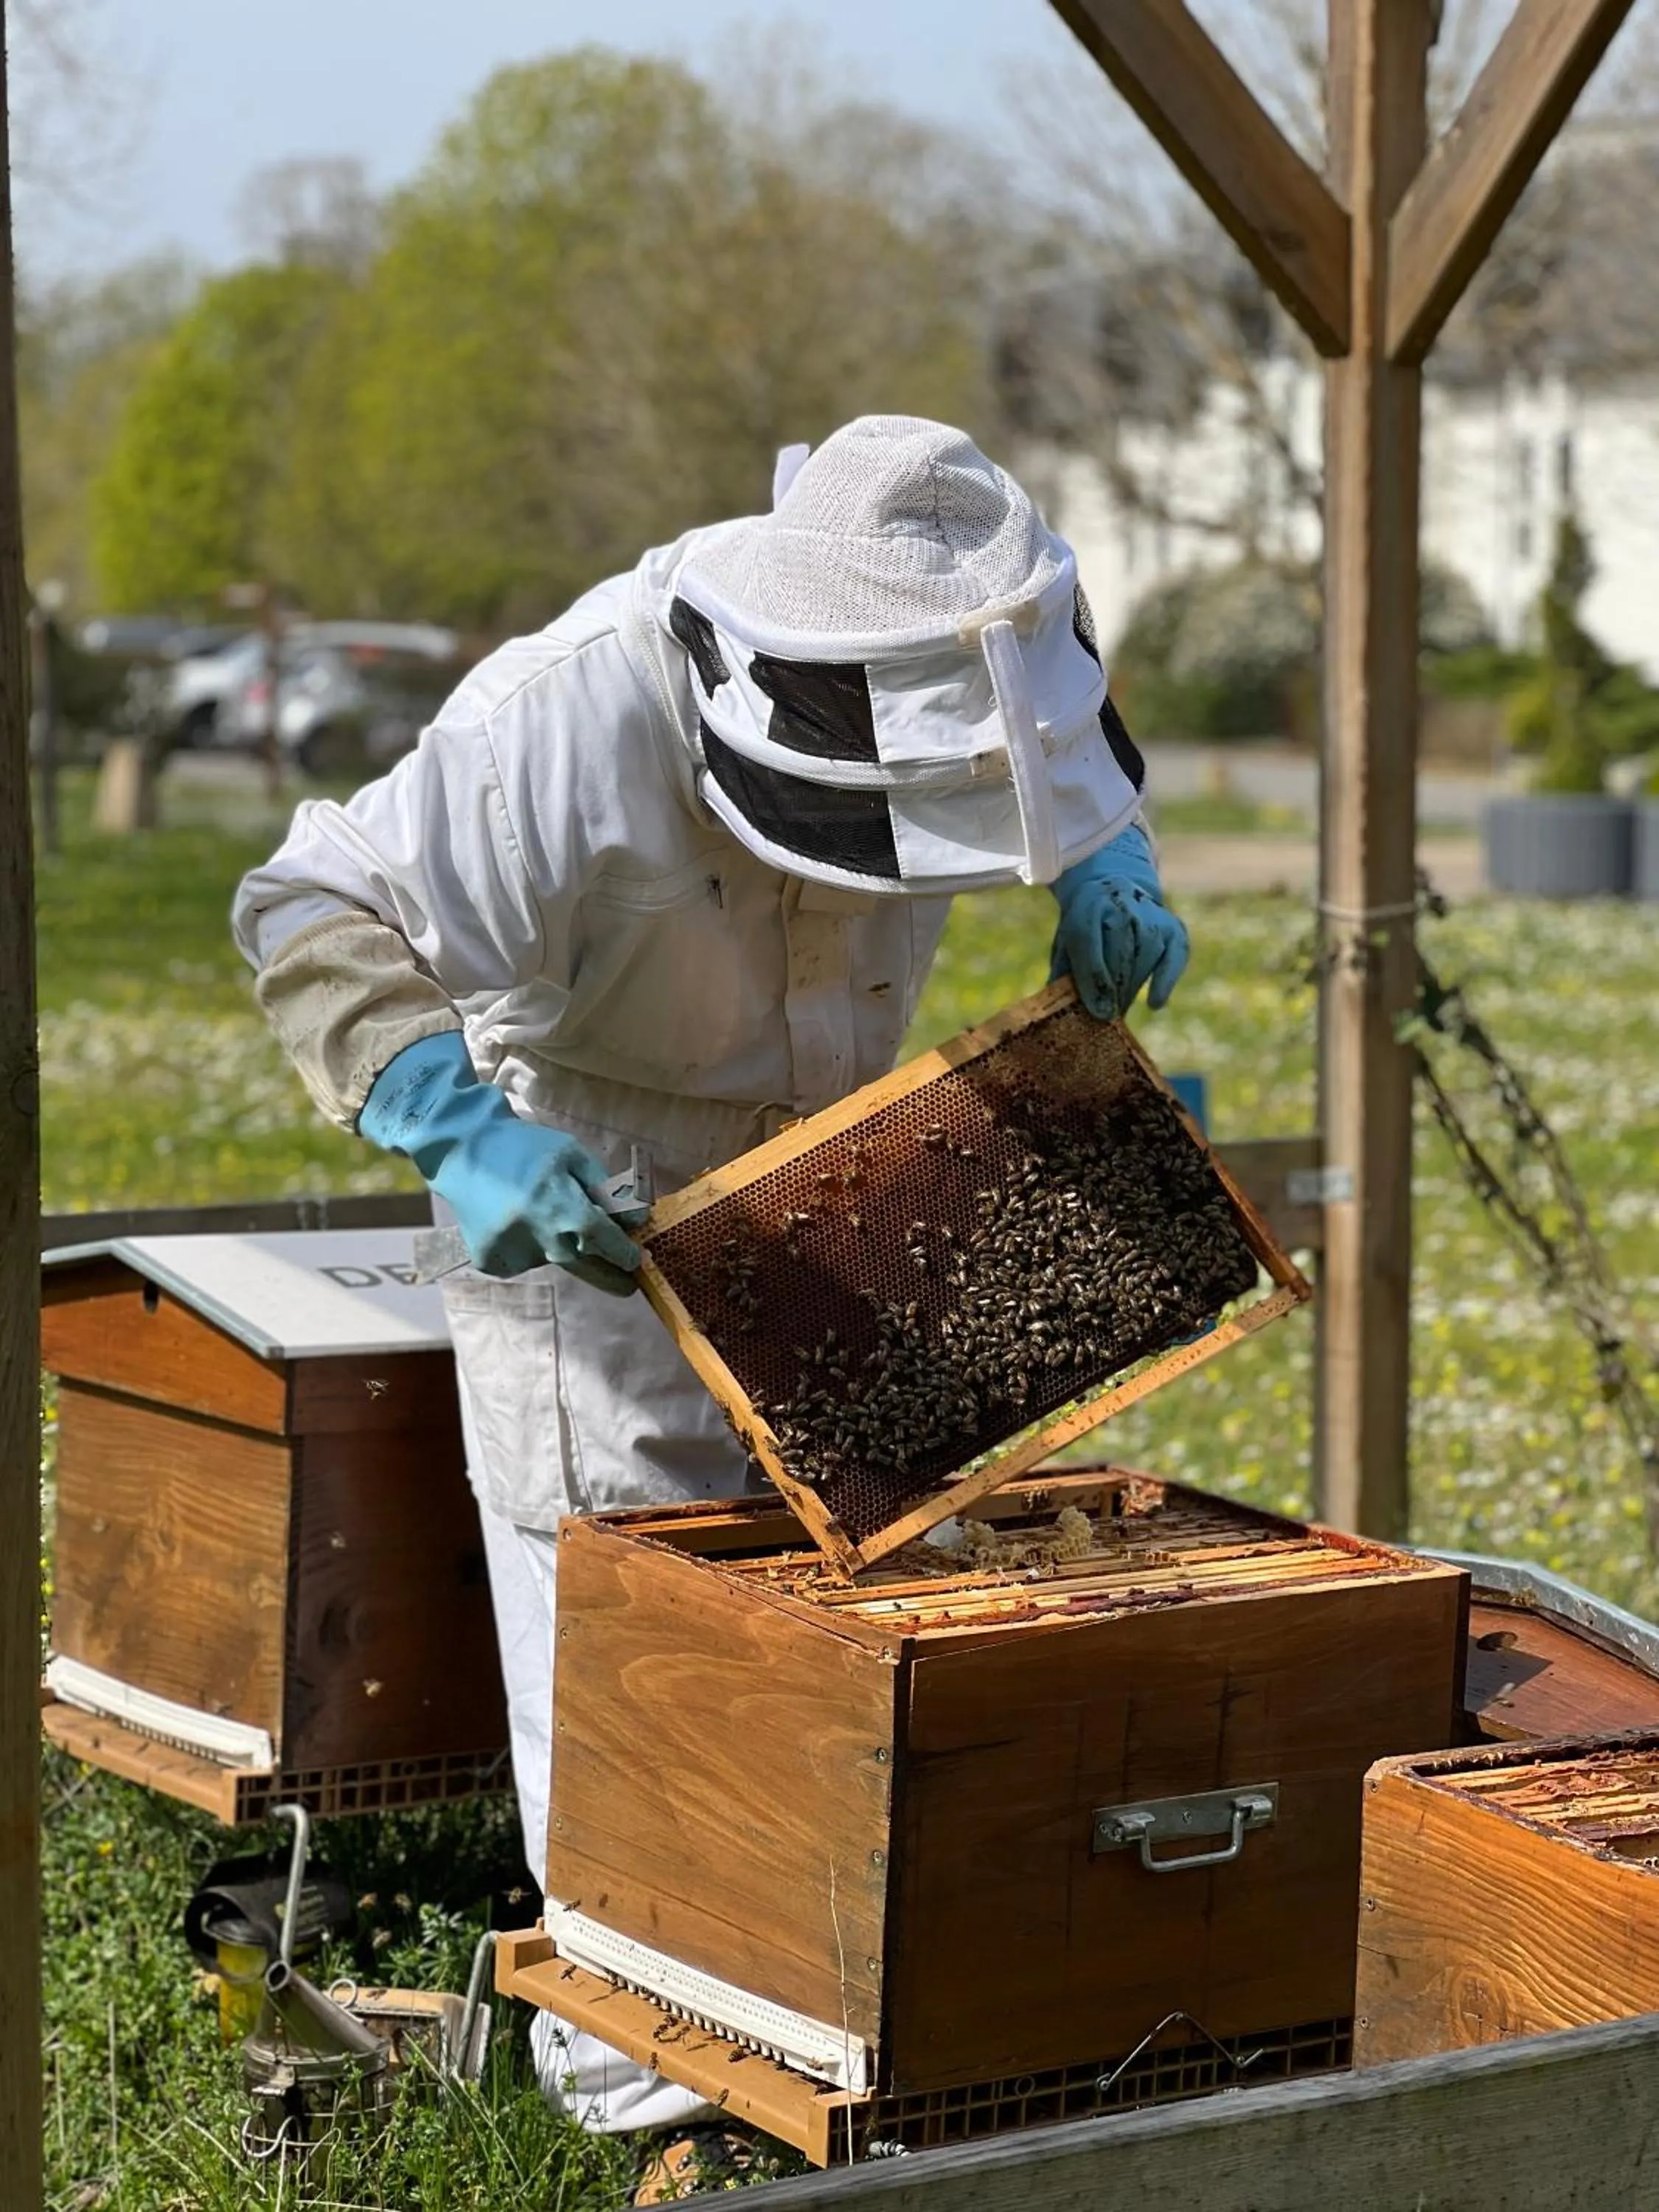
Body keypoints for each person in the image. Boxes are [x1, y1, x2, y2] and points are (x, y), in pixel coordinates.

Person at [232, 414, 1188, 2193]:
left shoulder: (966, 648)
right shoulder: (569, 713)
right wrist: (456, 1134)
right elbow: (312, 901)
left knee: (845, 1591)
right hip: (583, 1173)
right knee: (631, 1630)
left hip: (838, 1159)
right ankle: (647, 2094)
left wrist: (1100, 866)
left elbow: (1038, 751)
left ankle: (847, 2006)